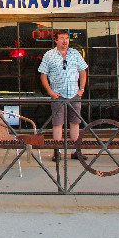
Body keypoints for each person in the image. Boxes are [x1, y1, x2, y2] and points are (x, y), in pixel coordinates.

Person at [38, 30, 88, 161]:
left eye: (66, 38)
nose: (65, 41)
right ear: (56, 40)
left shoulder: (75, 53)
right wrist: (50, 92)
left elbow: (83, 72)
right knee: (57, 123)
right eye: (61, 38)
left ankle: (75, 151)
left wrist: (81, 89)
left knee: (75, 123)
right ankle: (57, 151)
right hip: (58, 95)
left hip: (74, 94)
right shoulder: (49, 55)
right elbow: (43, 75)